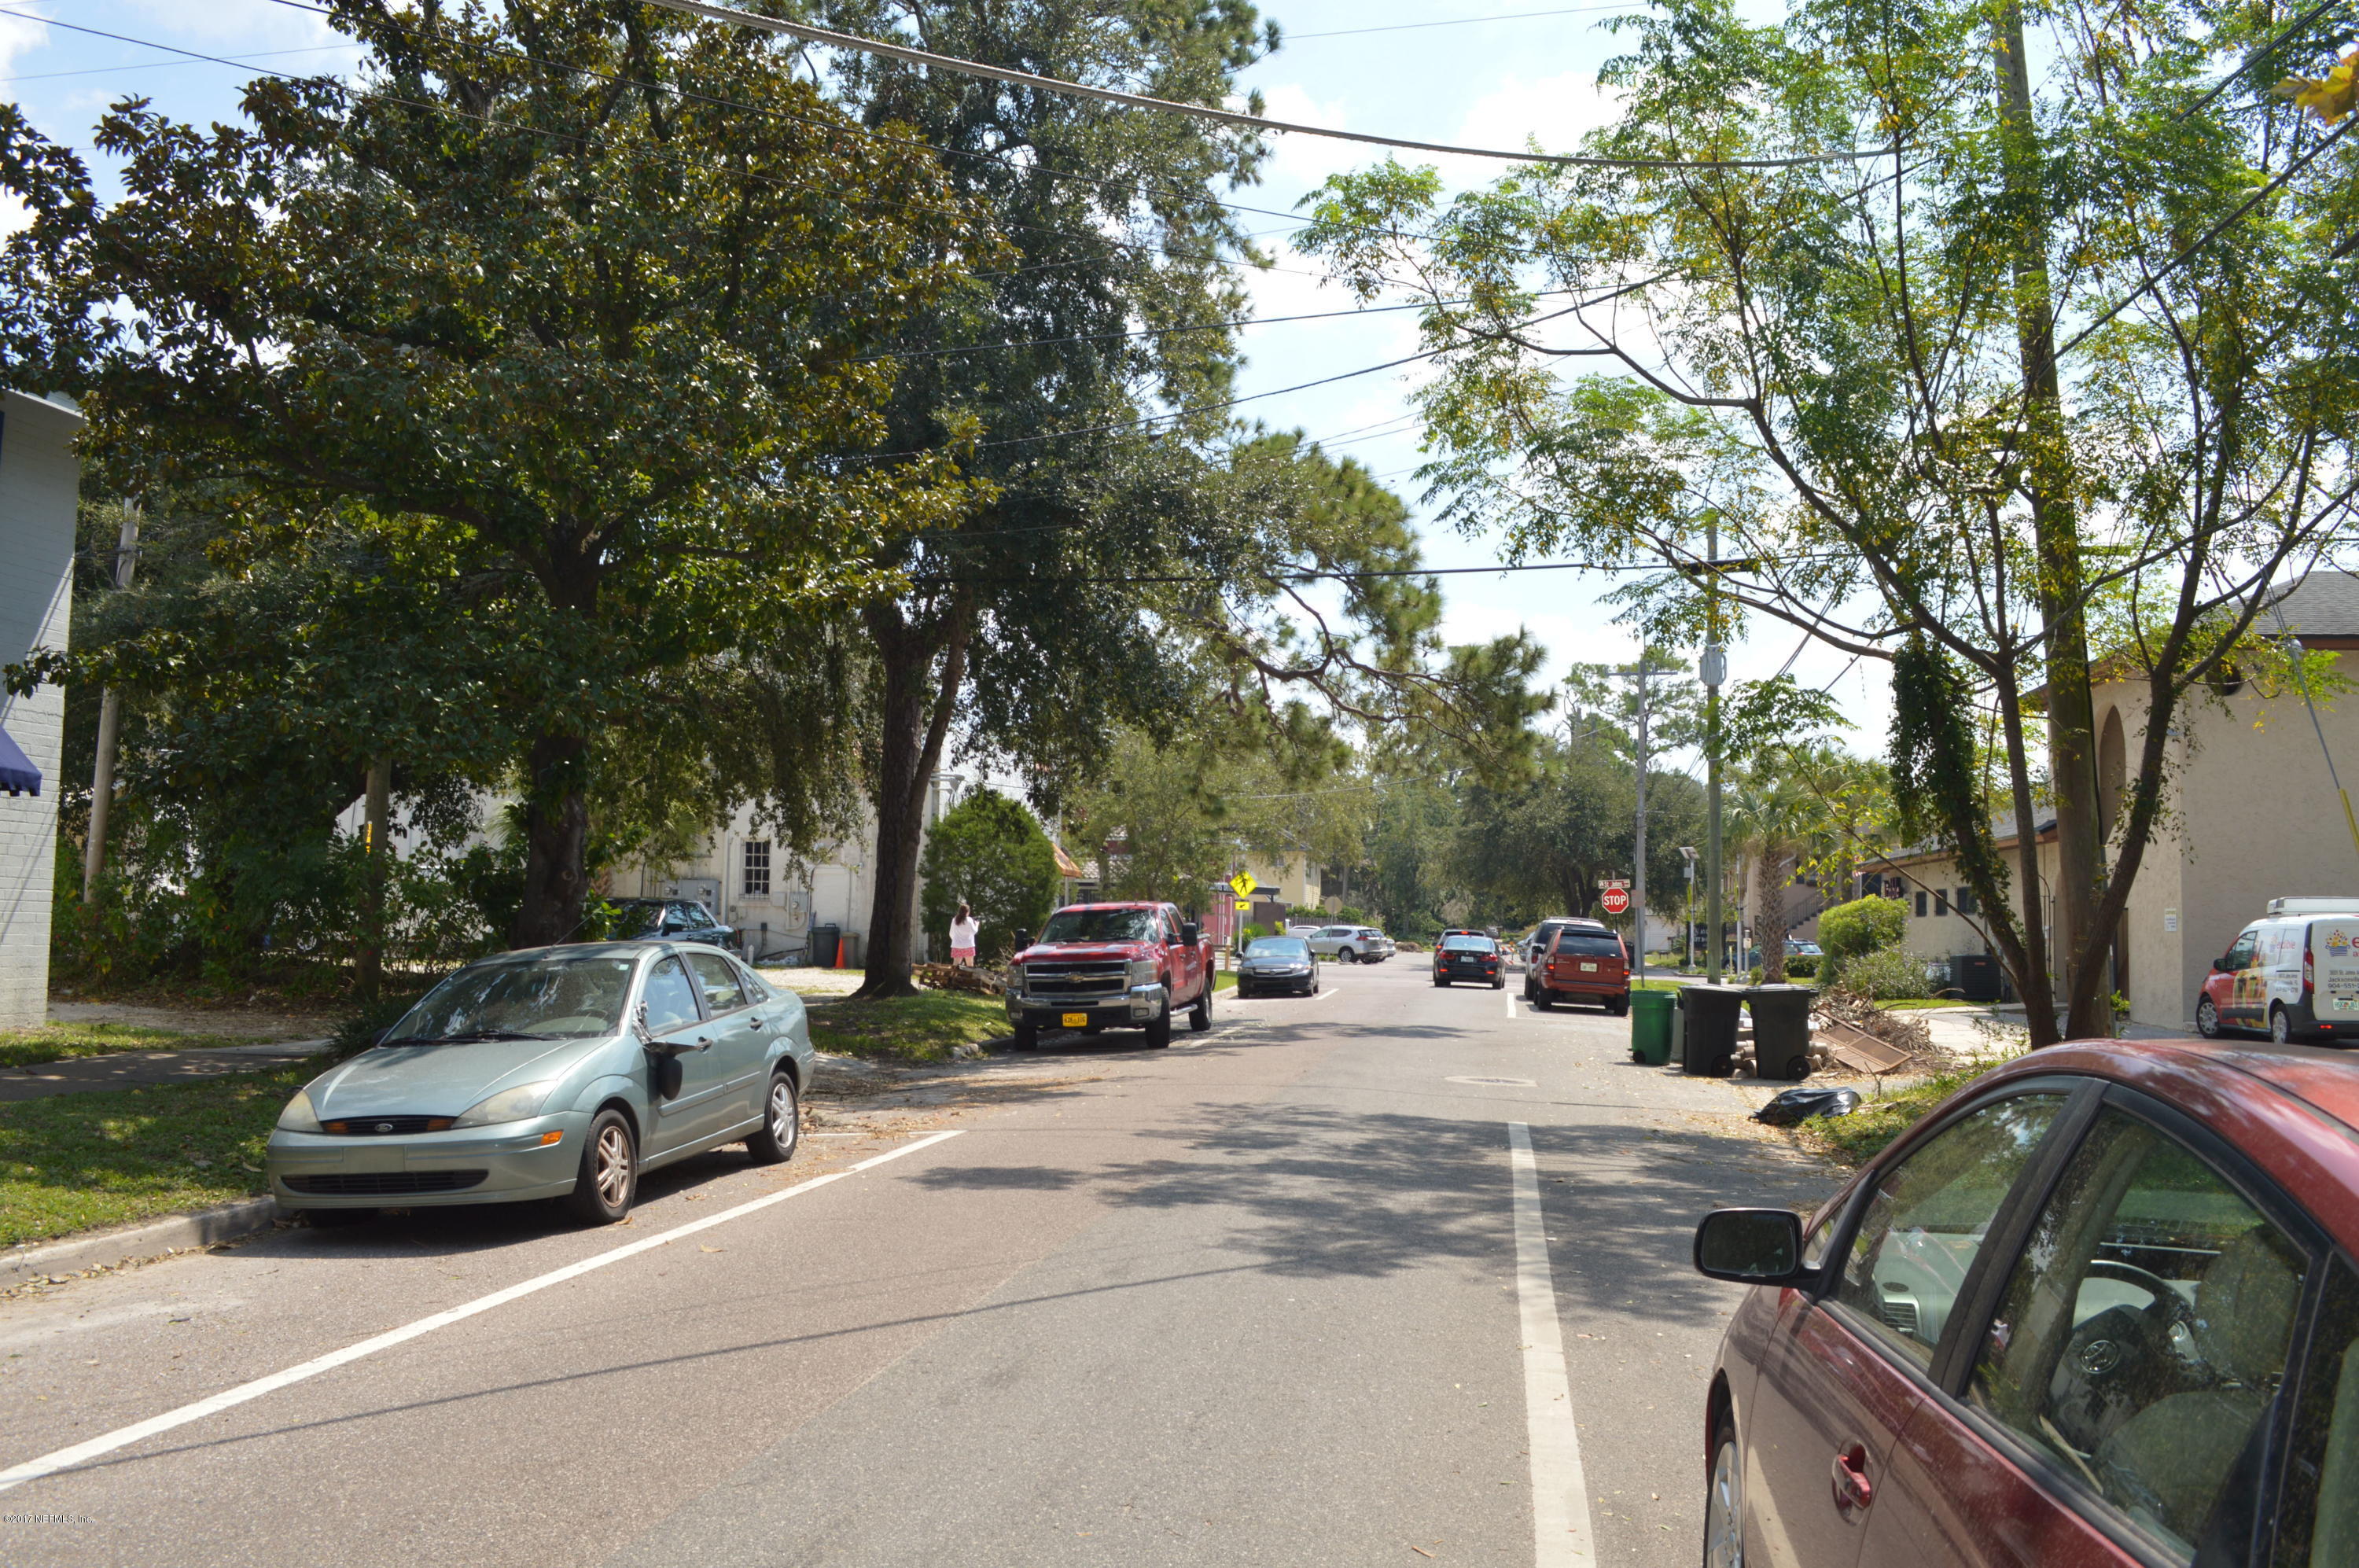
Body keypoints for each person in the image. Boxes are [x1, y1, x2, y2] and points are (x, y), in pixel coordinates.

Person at [949, 902, 980, 966]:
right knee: (970, 966)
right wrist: (977, 925)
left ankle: (953, 977)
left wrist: (956, 940)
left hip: (957, 945)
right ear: (968, 912)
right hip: (968, 946)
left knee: (955, 966)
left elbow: (951, 933)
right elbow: (974, 931)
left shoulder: (954, 920)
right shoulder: (969, 920)